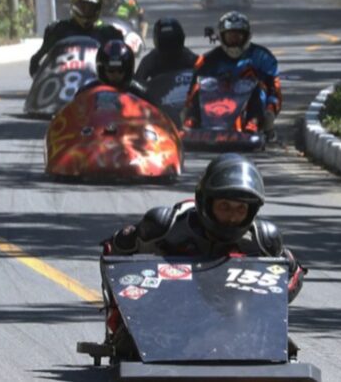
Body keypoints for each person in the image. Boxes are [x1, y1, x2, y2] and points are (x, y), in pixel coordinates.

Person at [102, 153, 305, 359]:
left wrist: (264, 297)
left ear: (251, 211)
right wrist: (121, 313)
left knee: (277, 343)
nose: (232, 217)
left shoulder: (264, 240)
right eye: (224, 206)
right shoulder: (165, 227)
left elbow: (292, 274)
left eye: (240, 209)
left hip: (235, 318)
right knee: (128, 346)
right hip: (167, 314)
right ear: (206, 202)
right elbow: (115, 256)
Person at [182, 11, 282, 140]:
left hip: (250, 109)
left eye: (238, 36)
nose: (234, 40)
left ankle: (253, 122)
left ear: (246, 36)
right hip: (216, 106)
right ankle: (193, 120)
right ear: (222, 37)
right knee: (202, 85)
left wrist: (270, 111)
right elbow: (193, 89)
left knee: (258, 86)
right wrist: (188, 110)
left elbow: (275, 91)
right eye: (230, 36)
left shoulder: (263, 57)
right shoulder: (208, 59)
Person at [28, 0, 123, 77]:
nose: (86, 12)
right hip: (63, 80)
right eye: (83, 7)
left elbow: (121, 64)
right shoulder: (58, 29)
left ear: (98, 9)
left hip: (97, 82)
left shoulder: (109, 33)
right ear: (74, 5)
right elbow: (37, 60)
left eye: (91, 8)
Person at [134, 17, 198, 84]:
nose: (170, 48)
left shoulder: (189, 58)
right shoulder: (150, 60)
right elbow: (136, 84)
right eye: (166, 43)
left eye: (173, 42)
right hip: (159, 93)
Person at [76, 39, 148, 99]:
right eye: (111, 70)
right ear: (102, 70)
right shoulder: (87, 92)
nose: (115, 74)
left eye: (120, 70)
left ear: (128, 70)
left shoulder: (142, 92)